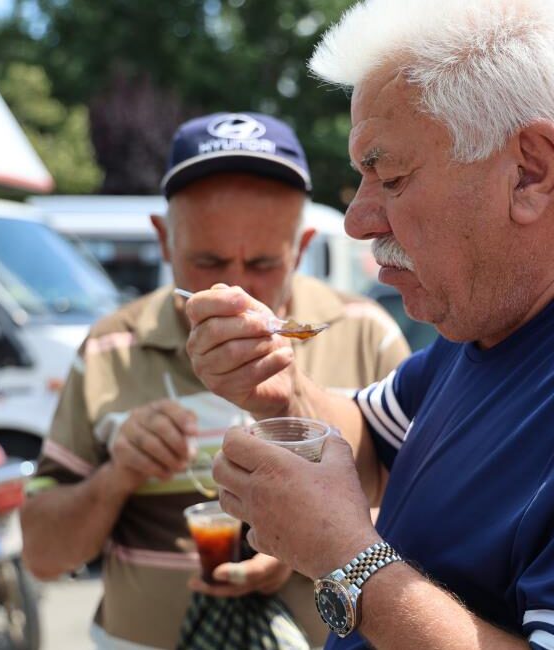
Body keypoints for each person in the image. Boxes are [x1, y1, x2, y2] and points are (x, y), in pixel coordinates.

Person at [183, 2, 554, 650]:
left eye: (389, 177)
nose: (359, 220)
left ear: (529, 171)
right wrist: (278, 390)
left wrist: (346, 558)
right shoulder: (502, 313)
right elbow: (370, 441)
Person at [20, 111, 410, 649]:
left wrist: (305, 549)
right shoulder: (111, 348)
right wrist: (118, 476)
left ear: (300, 248)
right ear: (163, 240)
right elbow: (42, 555)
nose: (237, 291)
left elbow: (423, 519)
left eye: (265, 264)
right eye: (208, 262)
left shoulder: (364, 333)